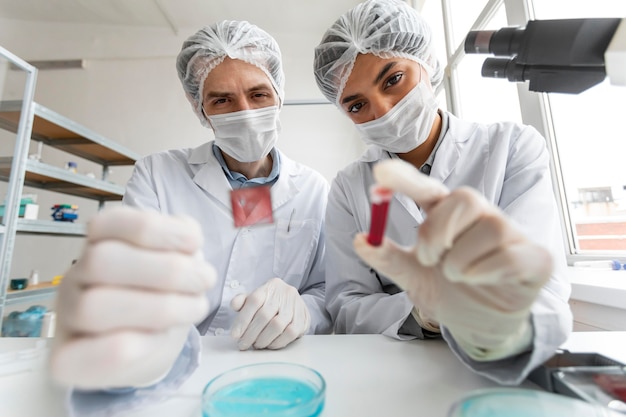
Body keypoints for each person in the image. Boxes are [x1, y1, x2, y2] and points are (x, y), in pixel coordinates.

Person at [49, 20, 332, 409]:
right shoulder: (158, 174)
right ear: (200, 107)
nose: (245, 112)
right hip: (175, 369)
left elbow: (324, 290)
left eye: (258, 94)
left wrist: (304, 310)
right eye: (222, 100)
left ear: (279, 95)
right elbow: (131, 277)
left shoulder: (313, 187)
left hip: (281, 366)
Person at [313, 0, 572, 384]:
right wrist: (422, 311)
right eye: (356, 104)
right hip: (393, 375)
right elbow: (347, 305)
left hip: (500, 370)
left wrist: (474, 303)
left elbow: (543, 289)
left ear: (426, 61)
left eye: (392, 79)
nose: (382, 110)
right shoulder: (349, 187)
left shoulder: (512, 147)